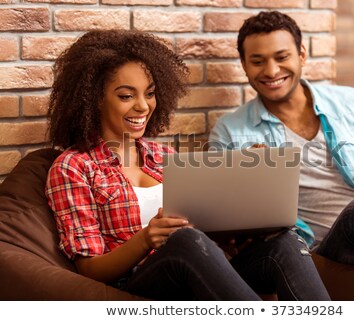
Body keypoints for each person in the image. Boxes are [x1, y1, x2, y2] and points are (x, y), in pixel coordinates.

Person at [44, 29, 330, 301]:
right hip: (137, 283)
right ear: (93, 100)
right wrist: (145, 240)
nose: (143, 106)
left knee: (286, 243)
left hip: (200, 268)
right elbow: (89, 269)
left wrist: (246, 180)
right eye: (126, 96)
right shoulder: (73, 167)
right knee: (186, 241)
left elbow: (206, 226)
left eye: (150, 93)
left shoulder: (164, 156)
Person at [209, 11, 354, 300]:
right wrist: (249, 178)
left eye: (282, 57)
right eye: (258, 61)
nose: (271, 71)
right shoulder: (230, 132)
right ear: (244, 65)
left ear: (301, 55)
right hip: (333, 243)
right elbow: (224, 216)